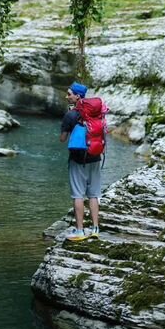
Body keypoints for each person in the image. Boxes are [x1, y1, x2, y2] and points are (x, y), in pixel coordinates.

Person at [60, 82, 101, 241]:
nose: (67, 96)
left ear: (78, 96)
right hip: (95, 158)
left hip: (77, 160)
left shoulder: (70, 115)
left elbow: (62, 139)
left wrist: (69, 128)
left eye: (69, 94)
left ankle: (80, 231)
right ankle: (96, 228)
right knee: (94, 194)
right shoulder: (96, 113)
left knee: (78, 195)